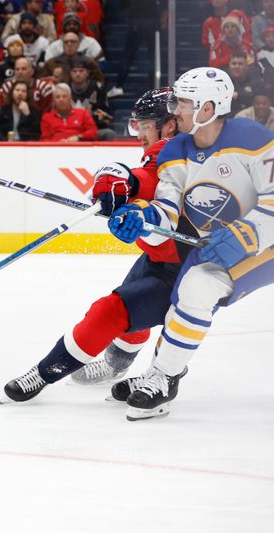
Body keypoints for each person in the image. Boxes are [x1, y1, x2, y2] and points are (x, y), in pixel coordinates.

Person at [106, 67, 274, 420]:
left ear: (208, 108)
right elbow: (167, 213)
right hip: (224, 247)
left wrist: (246, 234)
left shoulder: (253, 138)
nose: (175, 110)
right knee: (190, 291)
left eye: (183, 102)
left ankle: (163, 373)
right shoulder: (175, 151)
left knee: (198, 286)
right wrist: (145, 221)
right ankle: (164, 375)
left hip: (268, 244)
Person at [1, 88, 183, 404]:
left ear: (168, 125)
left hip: (185, 266)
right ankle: (116, 367)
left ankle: (46, 373)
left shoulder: (173, 152)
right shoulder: (176, 148)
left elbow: (152, 179)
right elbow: (146, 182)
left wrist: (124, 179)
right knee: (131, 308)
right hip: (162, 257)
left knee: (112, 312)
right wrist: (120, 187)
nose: (139, 132)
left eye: (144, 124)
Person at [68, 58, 113, 140]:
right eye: (74, 71)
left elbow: (107, 118)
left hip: (92, 128)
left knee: (108, 133)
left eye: (81, 71)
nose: (78, 74)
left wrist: (90, 114)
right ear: (70, 73)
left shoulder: (98, 88)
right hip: (69, 129)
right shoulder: (64, 88)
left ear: (87, 73)